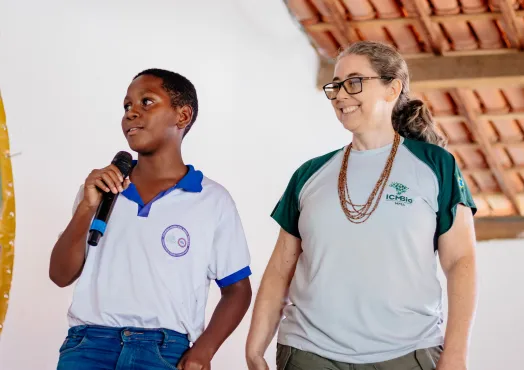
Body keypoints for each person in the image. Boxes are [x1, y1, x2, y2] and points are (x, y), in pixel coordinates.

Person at [246, 41, 478, 370]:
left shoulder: (435, 165)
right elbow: (279, 269)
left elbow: (461, 261)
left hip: (408, 354)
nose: (340, 95)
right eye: (335, 85)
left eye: (354, 82)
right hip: (308, 353)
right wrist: (255, 347)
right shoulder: (310, 174)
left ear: (392, 88)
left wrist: (455, 354)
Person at [50, 68, 252, 370]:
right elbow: (60, 275)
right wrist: (86, 208)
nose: (131, 113)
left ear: (182, 116)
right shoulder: (100, 190)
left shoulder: (212, 201)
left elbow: (237, 290)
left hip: (164, 352)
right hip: (87, 347)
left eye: (146, 102)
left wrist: (204, 351)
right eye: (127, 106)